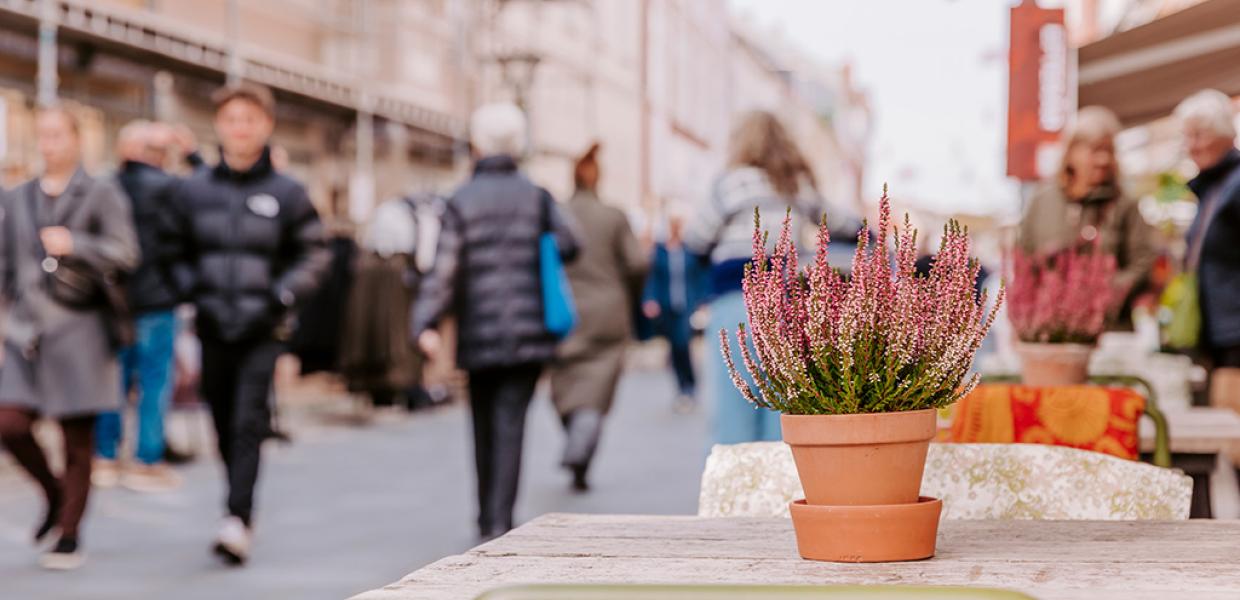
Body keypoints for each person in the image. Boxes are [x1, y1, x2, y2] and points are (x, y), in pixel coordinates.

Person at [166, 82, 329, 565]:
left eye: (250, 119)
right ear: (219, 126)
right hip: (213, 325)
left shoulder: (288, 192)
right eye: (232, 120)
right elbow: (172, 251)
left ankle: (238, 517)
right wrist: (193, 291)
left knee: (247, 422)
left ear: (266, 126)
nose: (241, 128)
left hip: (263, 327)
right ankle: (235, 503)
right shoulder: (193, 191)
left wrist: (282, 295)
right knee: (219, 418)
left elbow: (315, 253)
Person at [413, 103, 579, 539]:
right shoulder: (537, 196)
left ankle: (487, 516)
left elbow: (444, 269)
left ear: (477, 145)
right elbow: (571, 242)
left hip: (478, 332)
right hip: (529, 334)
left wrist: (423, 321)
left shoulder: (461, 199)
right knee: (511, 424)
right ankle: (500, 521)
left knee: (482, 422)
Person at [0, 106, 140, 570]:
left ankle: (70, 531)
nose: (48, 145)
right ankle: (54, 492)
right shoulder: (18, 197)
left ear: (77, 139)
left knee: (76, 438)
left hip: (81, 330)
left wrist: (76, 243)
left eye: (57, 135)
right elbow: (6, 264)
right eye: (42, 136)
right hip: (26, 333)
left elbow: (126, 252)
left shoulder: (102, 192)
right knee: (11, 423)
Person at [683, 110, 825, 445]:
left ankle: (732, 495)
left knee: (732, 417)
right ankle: (778, 494)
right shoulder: (797, 185)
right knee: (781, 416)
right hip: (784, 306)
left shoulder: (730, 183)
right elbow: (847, 224)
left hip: (735, 301)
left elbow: (696, 239)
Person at [548, 144, 648, 492]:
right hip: (607, 311)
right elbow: (637, 263)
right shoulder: (614, 216)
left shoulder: (556, 214)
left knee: (566, 382)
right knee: (597, 385)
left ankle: (576, 436)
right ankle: (582, 439)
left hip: (564, 312)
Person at [93, 120, 184, 493]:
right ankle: (147, 459)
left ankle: (106, 455)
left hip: (113, 301)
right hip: (157, 300)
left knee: (113, 379)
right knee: (154, 382)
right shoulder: (170, 189)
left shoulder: (105, 187)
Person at [1018, 106, 1157, 321]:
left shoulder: (1123, 204)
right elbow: (1024, 258)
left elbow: (1143, 261)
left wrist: (1105, 294)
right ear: (1071, 152)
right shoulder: (1042, 200)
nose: (1103, 160)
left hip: (1108, 327)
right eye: (1095, 150)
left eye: (1109, 151)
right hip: (1049, 325)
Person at [1175, 90, 1240, 407]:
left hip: (1235, 334)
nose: (1192, 145)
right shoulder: (1213, 188)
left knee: (1231, 430)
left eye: (1199, 134)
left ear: (1224, 134)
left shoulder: (1234, 186)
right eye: (1187, 136)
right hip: (1220, 331)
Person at [643, 212, 707, 413]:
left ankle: (689, 385)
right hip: (667, 304)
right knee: (674, 347)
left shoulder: (689, 251)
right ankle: (682, 387)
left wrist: (702, 300)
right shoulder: (661, 251)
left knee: (682, 343)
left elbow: (698, 276)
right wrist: (650, 299)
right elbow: (652, 277)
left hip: (686, 305)